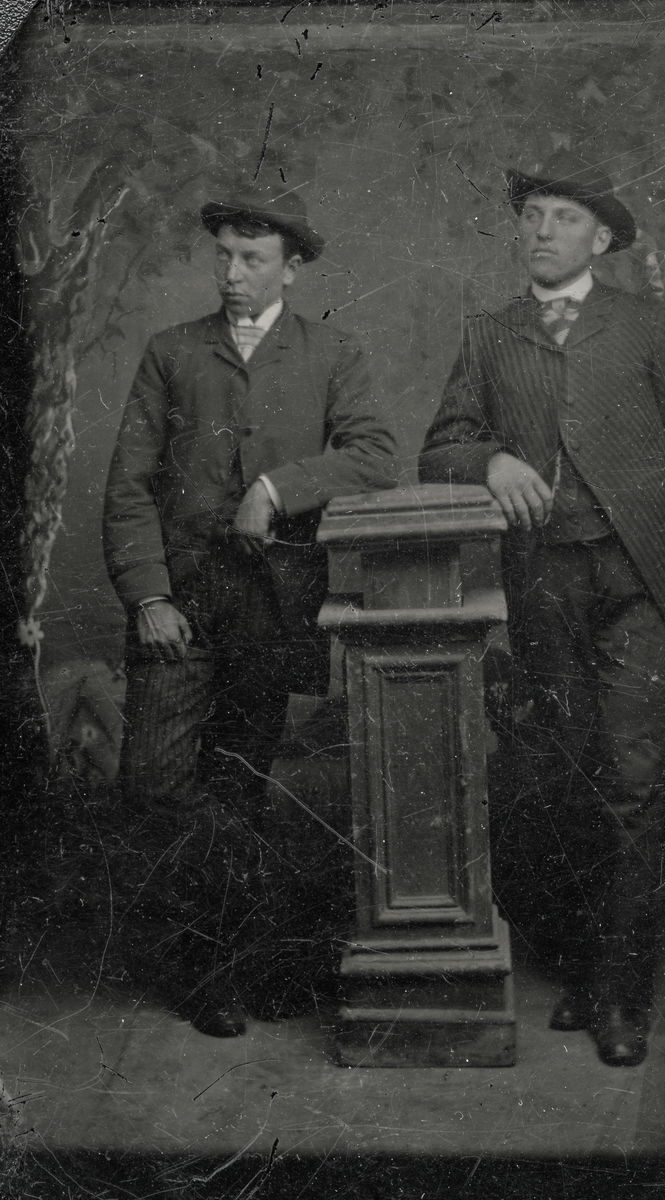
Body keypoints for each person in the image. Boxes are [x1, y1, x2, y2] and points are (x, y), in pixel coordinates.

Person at [419, 149, 665, 1067]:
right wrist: (490, 460)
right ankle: (589, 970)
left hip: (638, 583)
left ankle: (620, 995)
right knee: (561, 776)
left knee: (632, 776)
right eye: (533, 215)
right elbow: (439, 446)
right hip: (544, 582)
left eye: (563, 217)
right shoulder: (490, 334)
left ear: (600, 240)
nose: (542, 231)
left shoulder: (647, 326)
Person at [103, 179, 399, 1037]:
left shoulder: (330, 352)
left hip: (272, 606)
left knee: (239, 783)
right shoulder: (171, 352)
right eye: (225, 256)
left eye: (253, 259)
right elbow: (128, 487)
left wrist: (275, 487)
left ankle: (217, 971)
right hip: (180, 602)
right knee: (155, 781)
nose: (232, 273)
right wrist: (149, 596)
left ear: (291, 268)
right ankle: (258, 938)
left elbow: (375, 454)